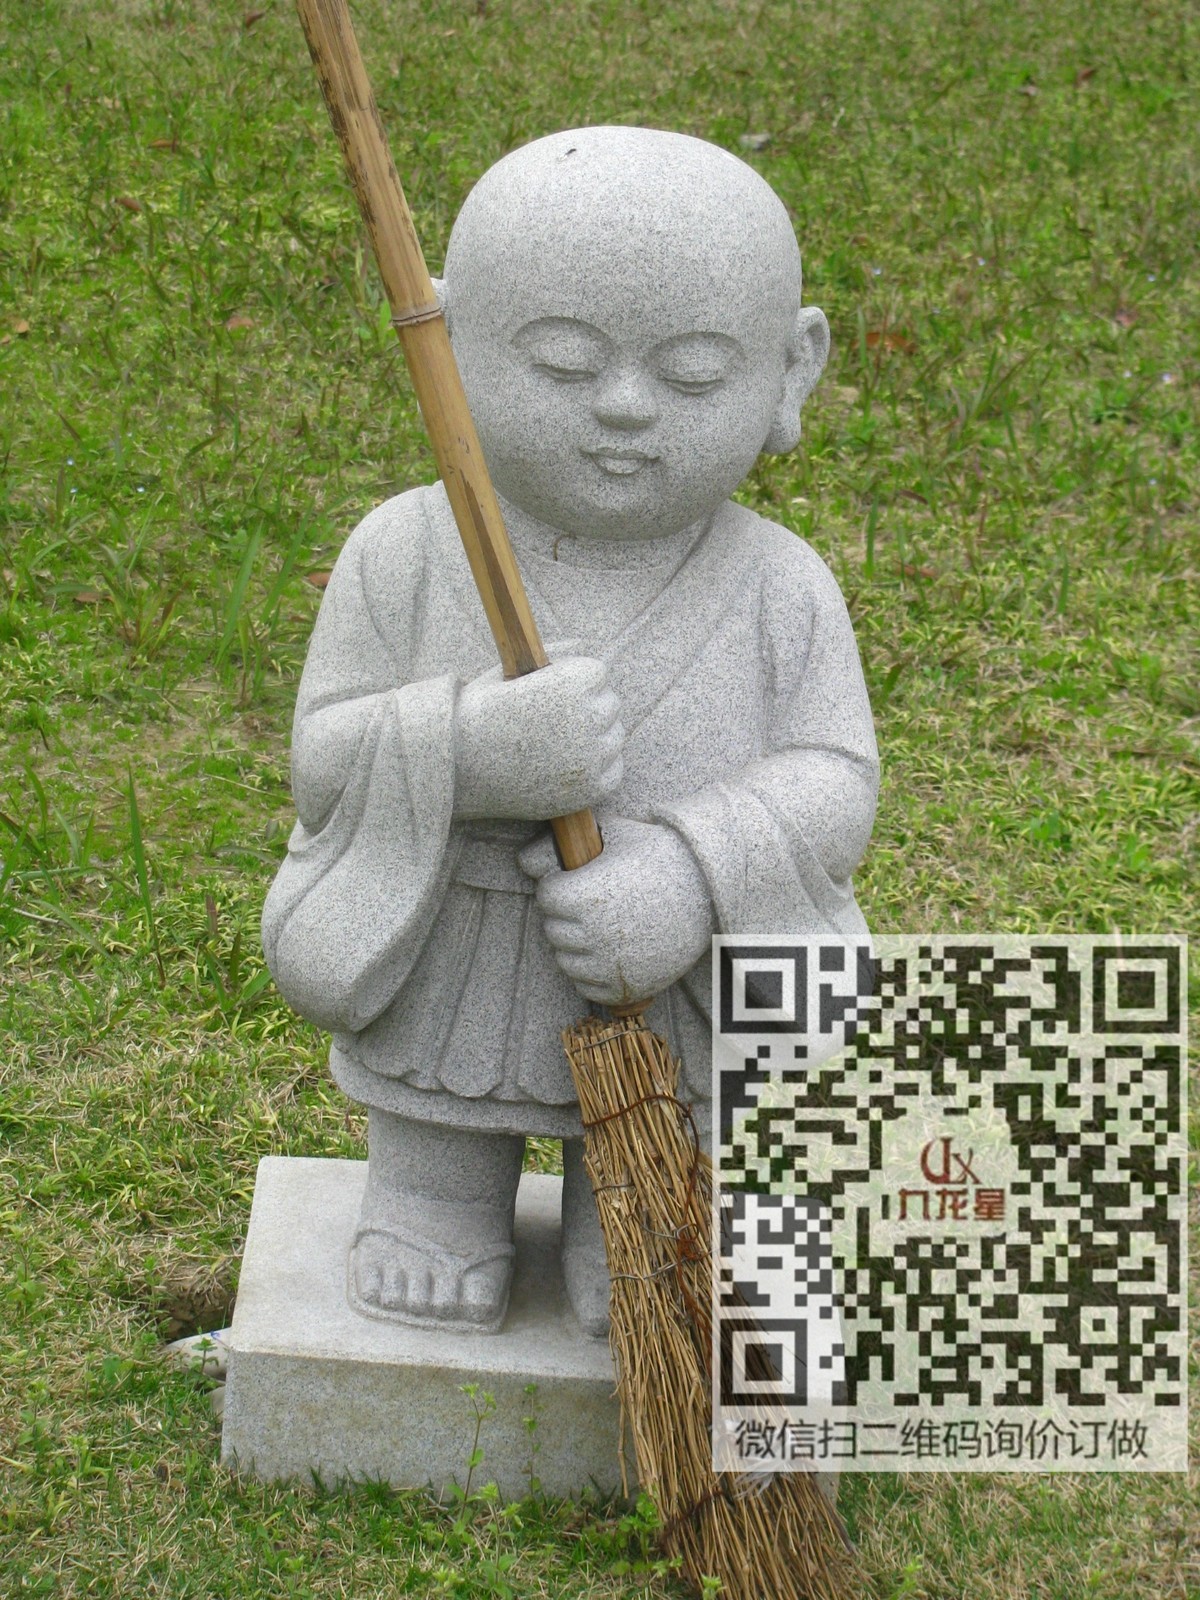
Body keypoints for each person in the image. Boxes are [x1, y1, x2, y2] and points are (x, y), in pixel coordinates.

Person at [261, 125, 878, 1338]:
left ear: (790, 372)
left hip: (665, 962)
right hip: (463, 932)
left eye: (692, 376)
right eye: (561, 362)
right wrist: (463, 751)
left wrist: (692, 873)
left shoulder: (780, 584)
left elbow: (834, 778)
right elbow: (325, 759)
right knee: (441, 1104)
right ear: (445, 346)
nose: (626, 408)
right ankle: (432, 1201)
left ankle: (631, 1219)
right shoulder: (406, 551)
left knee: (664, 1119)